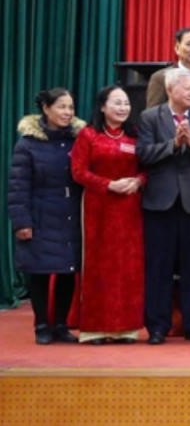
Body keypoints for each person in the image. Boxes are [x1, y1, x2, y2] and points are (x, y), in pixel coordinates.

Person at [137, 68, 190, 344]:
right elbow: (143, 154)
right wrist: (173, 144)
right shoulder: (150, 117)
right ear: (170, 90)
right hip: (159, 204)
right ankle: (157, 326)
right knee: (158, 267)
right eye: (187, 89)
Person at [70, 86, 146, 344]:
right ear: (102, 107)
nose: (123, 108)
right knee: (98, 266)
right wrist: (108, 185)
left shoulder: (135, 135)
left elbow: (147, 168)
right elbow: (78, 171)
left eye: (126, 103)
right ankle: (95, 328)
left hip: (130, 207)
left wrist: (138, 182)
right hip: (98, 207)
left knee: (128, 266)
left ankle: (126, 328)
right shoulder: (88, 135)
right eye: (117, 103)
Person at [9, 88, 84, 344]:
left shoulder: (78, 139)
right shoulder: (28, 143)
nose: (67, 112)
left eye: (71, 107)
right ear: (46, 109)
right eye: (62, 107)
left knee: (67, 270)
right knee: (39, 271)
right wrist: (22, 222)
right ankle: (41, 324)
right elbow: (18, 187)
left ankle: (61, 324)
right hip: (40, 215)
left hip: (70, 215)